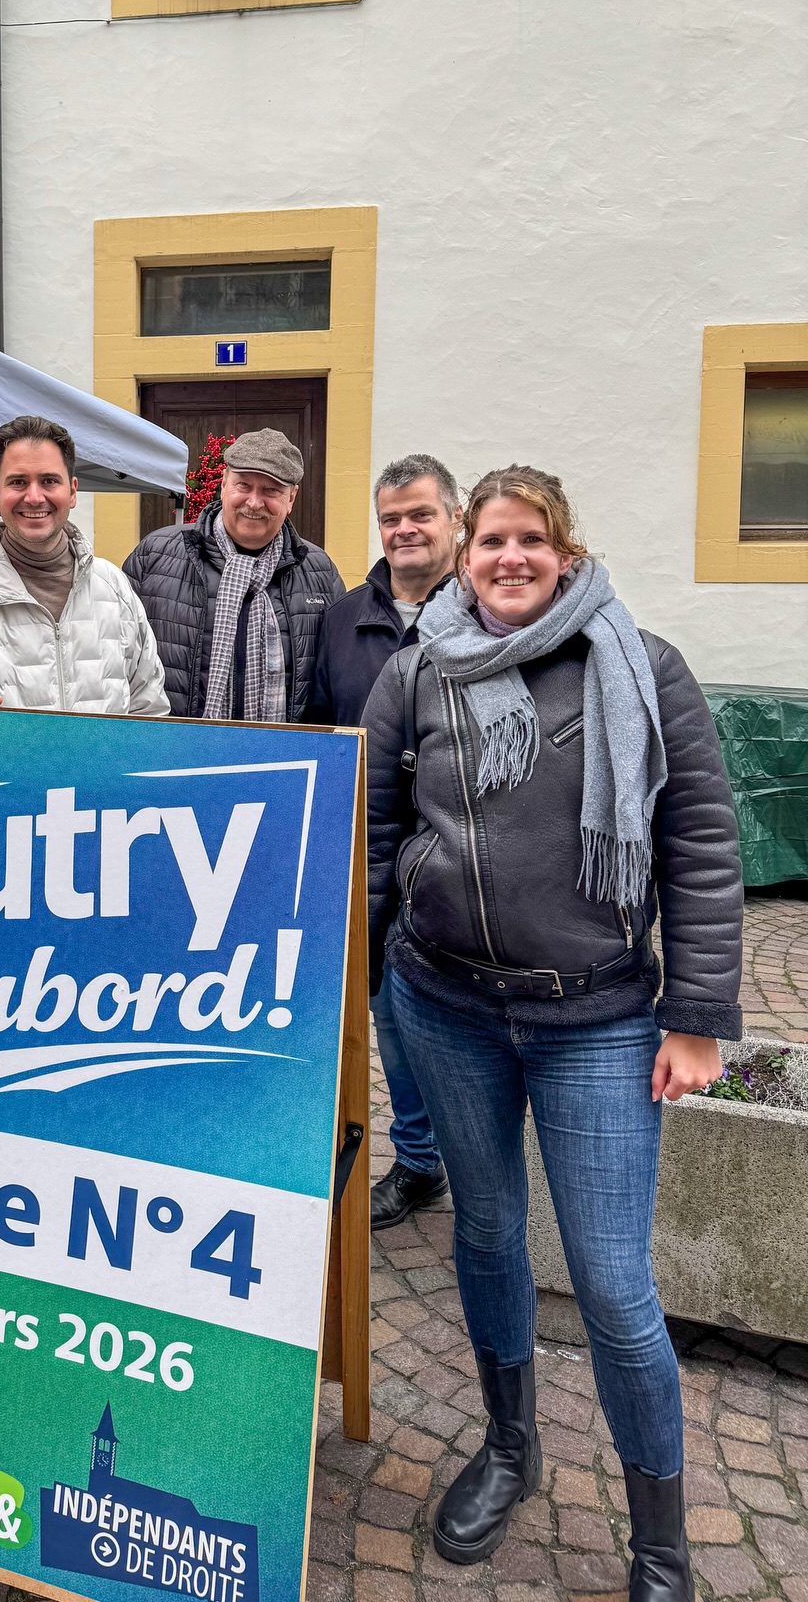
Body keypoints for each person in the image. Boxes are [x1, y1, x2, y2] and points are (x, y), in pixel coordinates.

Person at [363, 465, 741, 1602]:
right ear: (463, 555)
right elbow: (376, 835)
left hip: (601, 1019)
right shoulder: (413, 672)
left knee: (615, 1284)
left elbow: (703, 844)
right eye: (491, 541)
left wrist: (700, 1016)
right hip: (448, 1004)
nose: (509, 558)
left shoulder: (640, 664)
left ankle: (660, 1548)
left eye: (531, 540)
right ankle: (511, 1446)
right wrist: (348, 980)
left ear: (564, 553)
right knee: (485, 1232)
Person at [305, 454, 461, 1230]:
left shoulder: (488, 615)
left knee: (458, 1027)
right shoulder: (342, 617)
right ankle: (422, 1162)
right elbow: (315, 728)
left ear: (454, 521)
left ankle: (479, 1162)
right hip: (366, 859)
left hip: (453, 862)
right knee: (389, 1025)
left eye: (420, 515)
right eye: (392, 518)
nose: (404, 530)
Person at [0, 414, 168, 732]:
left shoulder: (113, 586)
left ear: (73, 491)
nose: (34, 497)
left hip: (103, 782)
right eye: (18, 481)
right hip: (8, 781)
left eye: (49, 481)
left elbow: (150, 709)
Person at [122, 429, 344, 722]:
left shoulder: (319, 572)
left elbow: (336, 682)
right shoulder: (155, 555)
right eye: (244, 485)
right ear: (224, 485)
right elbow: (118, 664)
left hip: (284, 759)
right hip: (173, 755)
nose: (254, 502)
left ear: (292, 498)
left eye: (271, 490)